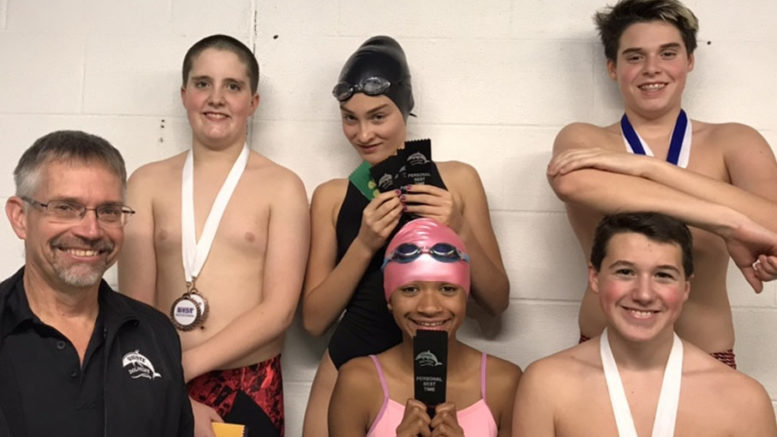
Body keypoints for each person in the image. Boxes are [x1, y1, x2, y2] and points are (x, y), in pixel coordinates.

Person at [546, 0, 777, 368]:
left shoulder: (735, 142)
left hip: (707, 357)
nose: (652, 69)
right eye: (634, 56)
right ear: (612, 67)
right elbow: (570, 184)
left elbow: (774, 226)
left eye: (667, 53)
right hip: (601, 356)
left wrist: (647, 168)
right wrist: (726, 221)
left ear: (689, 60)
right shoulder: (585, 139)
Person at [301, 35, 510, 436]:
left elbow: (497, 302)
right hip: (347, 364)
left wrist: (459, 225)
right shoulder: (331, 197)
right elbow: (313, 321)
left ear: (406, 109)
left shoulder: (458, 181)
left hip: (436, 368)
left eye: (378, 116)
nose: (363, 134)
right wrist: (363, 244)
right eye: (350, 118)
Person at [118, 34, 309, 437]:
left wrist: (183, 367)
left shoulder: (283, 186)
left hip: (248, 383)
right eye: (203, 83)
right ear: (185, 94)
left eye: (233, 86)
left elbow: (279, 310)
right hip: (160, 374)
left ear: (252, 102)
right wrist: (165, 375)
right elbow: (134, 305)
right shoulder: (146, 183)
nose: (216, 97)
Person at [512, 212, 777, 437]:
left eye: (663, 275)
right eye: (625, 272)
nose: (644, 294)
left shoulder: (743, 399)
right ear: (595, 277)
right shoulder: (547, 384)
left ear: (685, 288)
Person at [0, 130, 193, 437]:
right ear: (20, 217)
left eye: (108, 211)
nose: (91, 230)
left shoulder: (156, 334)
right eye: (65, 207)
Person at [330, 218, 521, 436]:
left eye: (447, 289)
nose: (429, 307)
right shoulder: (358, 382)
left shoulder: (504, 383)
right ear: (389, 299)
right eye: (410, 290)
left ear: (465, 297)